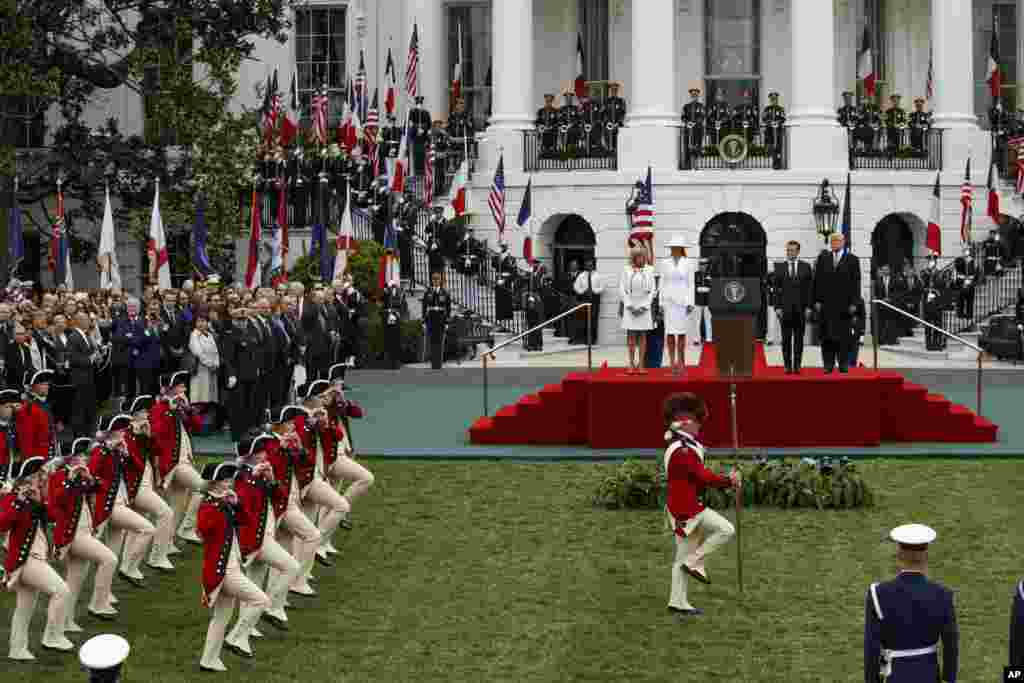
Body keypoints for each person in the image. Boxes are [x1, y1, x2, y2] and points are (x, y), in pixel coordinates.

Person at [225, 430, 300, 659]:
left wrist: (272, 480)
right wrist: (255, 477)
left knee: (254, 589)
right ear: (250, 456)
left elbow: (281, 498)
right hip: (254, 541)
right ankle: (264, 613)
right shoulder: (238, 477)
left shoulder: (259, 474)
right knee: (292, 567)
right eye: (260, 451)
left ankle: (242, 634)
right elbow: (241, 505)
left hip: (262, 536)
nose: (266, 454)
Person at [662, 393, 738, 618]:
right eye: (697, 422)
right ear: (686, 423)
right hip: (687, 509)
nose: (700, 427)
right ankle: (695, 561)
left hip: (681, 507)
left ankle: (678, 603)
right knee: (726, 529)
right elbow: (702, 476)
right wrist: (729, 481)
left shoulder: (681, 445)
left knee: (681, 557)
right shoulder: (683, 449)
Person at [196, 461, 271, 673]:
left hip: (230, 567)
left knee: (220, 618)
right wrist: (221, 505)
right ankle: (236, 637)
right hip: (223, 572)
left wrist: (235, 504)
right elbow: (202, 529)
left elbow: (245, 520)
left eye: (229, 479)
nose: (229, 483)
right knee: (261, 600)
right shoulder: (208, 505)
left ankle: (208, 660)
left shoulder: (225, 502)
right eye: (224, 480)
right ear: (213, 483)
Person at [864, 523, 958, 683]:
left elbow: (872, 649)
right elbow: (951, 647)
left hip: (894, 676)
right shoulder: (943, 595)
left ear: (898, 554)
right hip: (928, 676)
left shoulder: (878, 594)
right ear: (926, 556)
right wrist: (948, 679)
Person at [2, 456, 74, 659]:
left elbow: (53, 516)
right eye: (36, 476)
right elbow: (3, 524)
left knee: (24, 608)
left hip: (35, 558)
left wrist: (40, 497)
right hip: (26, 561)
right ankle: (52, 637)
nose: (41, 478)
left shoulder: (38, 497)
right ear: (24, 480)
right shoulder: (11, 499)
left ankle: (17, 649)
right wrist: (19, 501)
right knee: (62, 591)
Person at [49, 438, 118, 632]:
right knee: (109, 559)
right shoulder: (59, 477)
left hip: (85, 531)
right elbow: (56, 503)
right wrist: (71, 481)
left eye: (83, 456)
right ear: (69, 460)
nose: (84, 459)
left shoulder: (82, 475)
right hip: (73, 536)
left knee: (75, 582)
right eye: (80, 456)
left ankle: (65, 622)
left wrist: (89, 478)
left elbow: (101, 487)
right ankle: (98, 603)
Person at [151, 371, 206, 548]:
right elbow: (157, 435)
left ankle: (166, 544)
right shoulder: (159, 409)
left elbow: (198, 426)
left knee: (177, 507)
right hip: (173, 464)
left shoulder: (182, 407)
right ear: (170, 389)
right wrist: (170, 411)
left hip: (184, 460)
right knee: (204, 488)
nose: (185, 389)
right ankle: (187, 529)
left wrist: (188, 409)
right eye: (181, 386)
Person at [813, 233, 861, 373]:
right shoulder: (823, 258)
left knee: (843, 337)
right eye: (833, 240)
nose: (835, 243)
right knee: (826, 337)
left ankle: (843, 363)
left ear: (843, 242)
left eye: (838, 241)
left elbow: (856, 283)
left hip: (844, 306)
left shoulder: (852, 259)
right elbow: (817, 281)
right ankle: (828, 364)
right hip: (826, 305)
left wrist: (854, 303)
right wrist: (816, 300)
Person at [659, 236, 697, 376]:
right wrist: (661, 303)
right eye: (673, 247)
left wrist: (690, 302)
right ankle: (672, 363)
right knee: (669, 333)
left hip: (682, 302)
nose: (674, 249)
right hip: (668, 301)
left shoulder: (688, 263)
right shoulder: (664, 262)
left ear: (682, 248)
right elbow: (662, 282)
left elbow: (691, 283)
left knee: (681, 333)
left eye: (677, 247)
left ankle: (681, 363)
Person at [773, 241, 813, 373]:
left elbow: (809, 289)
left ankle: (797, 365)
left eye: (793, 250)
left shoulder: (806, 267)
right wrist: (777, 307)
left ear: (798, 251)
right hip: (785, 310)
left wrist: (808, 307)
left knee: (799, 340)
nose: (790, 252)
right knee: (786, 339)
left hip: (801, 310)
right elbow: (776, 289)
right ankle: (787, 366)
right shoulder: (780, 267)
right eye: (788, 250)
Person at [621, 246, 656, 372]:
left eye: (643, 256)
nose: (641, 259)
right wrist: (630, 306)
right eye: (638, 256)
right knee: (631, 336)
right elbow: (622, 289)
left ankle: (641, 364)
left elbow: (653, 291)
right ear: (634, 258)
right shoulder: (626, 269)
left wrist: (644, 307)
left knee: (642, 336)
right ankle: (630, 364)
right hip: (630, 306)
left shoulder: (650, 270)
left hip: (644, 308)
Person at [16, 369, 59, 461]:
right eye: (43, 384)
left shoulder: (45, 404)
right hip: (36, 459)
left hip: (48, 456)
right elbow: (26, 441)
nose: (47, 387)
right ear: (32, 387)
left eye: (47, 384)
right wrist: (31, 462)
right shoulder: (27, 408)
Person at [423, 272, 451, 370]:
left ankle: (438, 364)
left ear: (440, 280)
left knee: (440, 342)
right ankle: (433, 363)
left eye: (437, 279)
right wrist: (424, 321)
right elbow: (424, 307)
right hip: (431, 318)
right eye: (434, 279)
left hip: (441, 319)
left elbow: (448, 309)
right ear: (431, 280)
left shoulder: (445, 292)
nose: (435, 281)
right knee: (432, 342)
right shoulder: (428, 292)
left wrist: (447, 322)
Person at [189, 316, 220, 404]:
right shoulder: (194, 335)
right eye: (198, 321)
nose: (201, 324)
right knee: (200, 397)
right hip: (200, 369)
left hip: (212, 370)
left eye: (203, 321)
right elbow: (198, 353)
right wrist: (210, 364)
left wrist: (216, 364)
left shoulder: (209, 335)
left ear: (207, 323)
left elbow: (215, 352)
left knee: (211, 398)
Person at [573, 258, 604, 346]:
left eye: (590, 265)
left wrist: (594, 291)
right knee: (585, 319)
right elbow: (575, 286)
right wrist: (582, 291)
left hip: (594, 299)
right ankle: (585, 340)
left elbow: (602, 287)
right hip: (584, 298)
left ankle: (593, 340)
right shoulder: (581, 275)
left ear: (593, 266)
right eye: (587, 265)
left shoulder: (598, 275)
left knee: (593, 319)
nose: (588, 266)